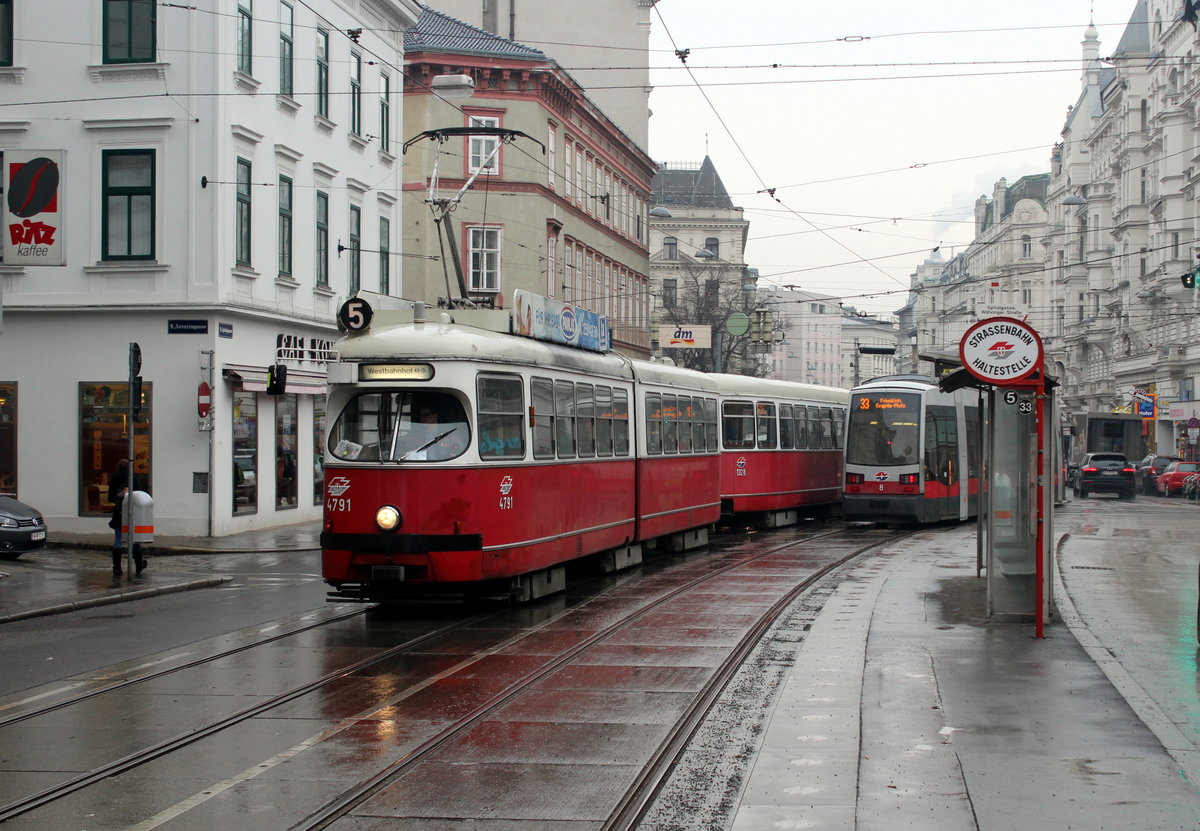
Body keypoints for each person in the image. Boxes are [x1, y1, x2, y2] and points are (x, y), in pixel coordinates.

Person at [108, 459, 146, 576]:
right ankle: (138, 565)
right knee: (134, 538)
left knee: (118, 539)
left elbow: (110, 498)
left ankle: (117, 567)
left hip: (119, 511)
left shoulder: (114, 478)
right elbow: (140, 494)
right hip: (132, 511)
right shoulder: (133, 478)